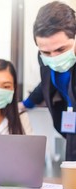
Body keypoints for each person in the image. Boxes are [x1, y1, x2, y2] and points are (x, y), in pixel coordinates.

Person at [19, 1, 76, 161]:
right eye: (46, 52)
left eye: (61, 50)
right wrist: (26, 104)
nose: (54, 57)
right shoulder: (44, 56)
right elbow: (46, 83)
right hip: (70, 123)